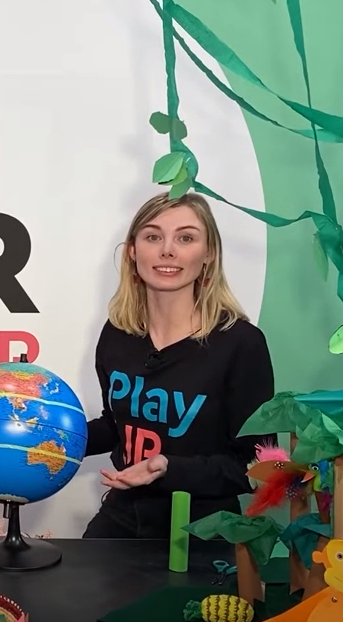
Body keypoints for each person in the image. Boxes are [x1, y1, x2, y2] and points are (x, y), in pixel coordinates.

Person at [82, 191, 277, 538]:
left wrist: (169, 468)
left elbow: (256, 466)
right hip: (123, 517)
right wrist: (52, 436)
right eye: (153, 236)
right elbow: (119, 426)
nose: (167, 250)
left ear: (209, 255)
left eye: (185, 238)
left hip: (203, 529)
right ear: (132, 251)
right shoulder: (118, 334)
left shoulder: (241, 343)